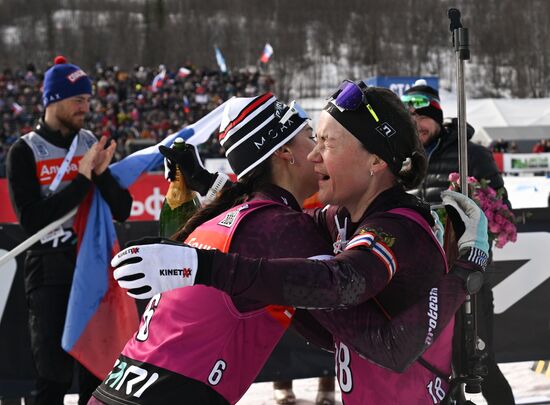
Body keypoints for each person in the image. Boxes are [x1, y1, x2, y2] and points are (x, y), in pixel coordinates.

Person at [110, 82, 489, 404]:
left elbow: (345, 288)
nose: (313, 154)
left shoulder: (399, 226)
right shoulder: (340, 218)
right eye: (314, 138)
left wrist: (468, 269)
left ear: (374, 160)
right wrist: (211, 185)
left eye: (326, 142)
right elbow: (270, 225)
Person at [6, 56, 132, 405]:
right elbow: (31, 220)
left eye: (89, 100)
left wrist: (102, 175)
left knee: (97, 373)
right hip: (48, 270)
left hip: (92, 268)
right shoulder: (25, 150)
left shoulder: (89, 142)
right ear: (54, 100)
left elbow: (123, 209)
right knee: (53, 376)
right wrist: (82, 179)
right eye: (79, 99)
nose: (86, 107)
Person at [401, 79, 515, 405]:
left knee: (480, 363)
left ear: (436, 117)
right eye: (408, 120)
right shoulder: (403, 161)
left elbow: (501, 210)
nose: (416, 126)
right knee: (435, 368)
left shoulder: (472, 154)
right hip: (423, 281)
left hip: (468, 278)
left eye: (421, 117)